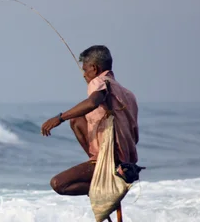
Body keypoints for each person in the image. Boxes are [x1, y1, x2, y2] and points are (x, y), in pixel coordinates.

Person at [40, 45, 139, 196]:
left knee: (59, 184)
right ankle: (101, 169)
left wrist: (59, 118)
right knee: (77, 119)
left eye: (85, 70)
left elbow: (93, 102)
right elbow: (134, 137)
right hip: (128, 164)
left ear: (94, 68)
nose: (84, 75)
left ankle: (106, 187)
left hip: (113, 161)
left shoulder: (98, 82)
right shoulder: (128, 94)